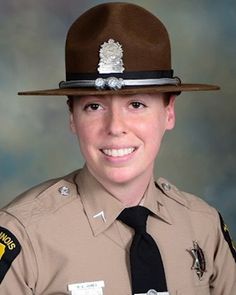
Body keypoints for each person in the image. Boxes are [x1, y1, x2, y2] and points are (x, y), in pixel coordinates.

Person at [0, 2, 235, 295]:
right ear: (72, 117)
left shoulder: (203, 226)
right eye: (94, 106)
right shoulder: (24, 236)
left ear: (169, 112)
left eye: (136, 105)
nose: (115, 127)